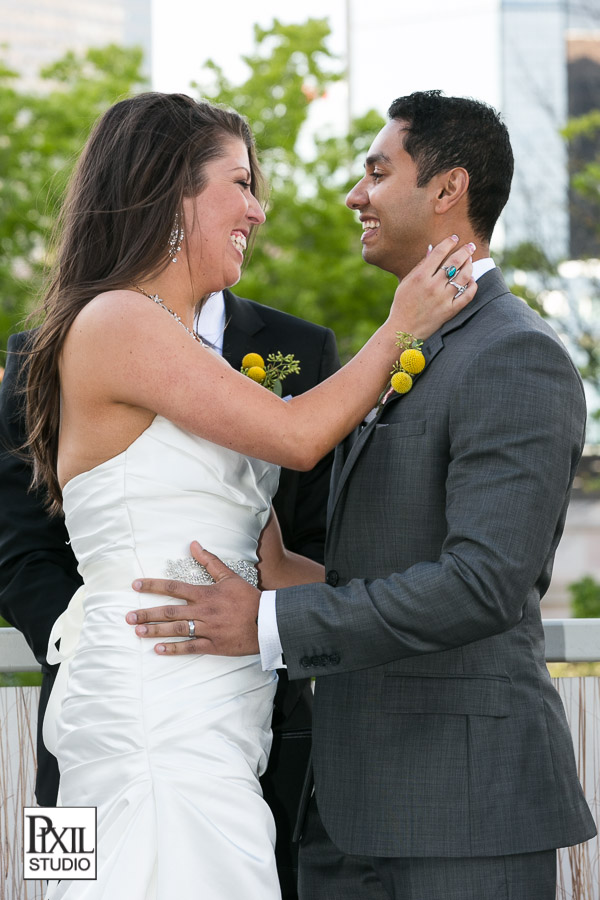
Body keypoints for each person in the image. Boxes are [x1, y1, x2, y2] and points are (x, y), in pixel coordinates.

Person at [129, 90, 597, 900]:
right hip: (341, 808)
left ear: (448, 190)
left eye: (378, 172)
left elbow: (483, 584)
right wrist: (271, 567)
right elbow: (377, 567)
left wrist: (269, 622)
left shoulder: (516, 354)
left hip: (462, 811)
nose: (356, 195)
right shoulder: (410, 344)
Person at [19, 90, 476, 900]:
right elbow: (299, 438)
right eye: (240, 183)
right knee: (106, 870)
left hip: (226, 708)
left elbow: (271, 559)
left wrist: (445, 602)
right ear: (171, 191)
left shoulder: (261, 348)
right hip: (140, 693)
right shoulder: (113, 321)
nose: (258, 212)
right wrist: (402, 325)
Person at [0, 284, 340, 900]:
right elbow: (18, 545)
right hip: (88, 715)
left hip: (242, 721)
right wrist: (94, 637)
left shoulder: (301, 347)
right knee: (65, 884)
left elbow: (317, 542)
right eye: (239, 182)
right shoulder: (39, 349)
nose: (255, 210)